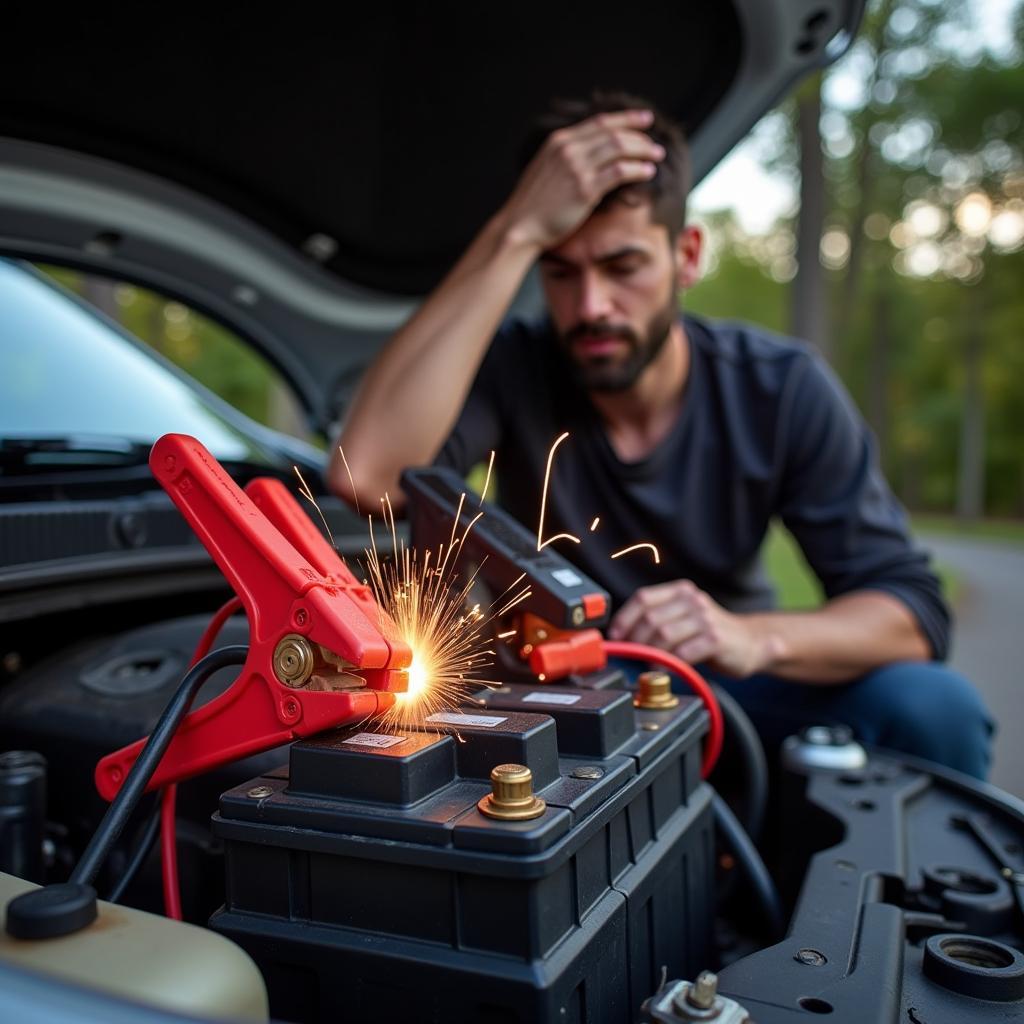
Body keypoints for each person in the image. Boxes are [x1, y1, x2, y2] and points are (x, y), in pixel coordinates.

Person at [330, 92, 993, 779]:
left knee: (932, 707)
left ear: (688, 254)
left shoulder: (779, 385)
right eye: (559, 271)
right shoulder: (508, 368)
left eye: (623, 268)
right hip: (552, 695)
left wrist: (750, 637)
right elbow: (366, 476)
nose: (591, 307)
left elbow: (911, 615)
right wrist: (517, 229)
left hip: (727, 683)